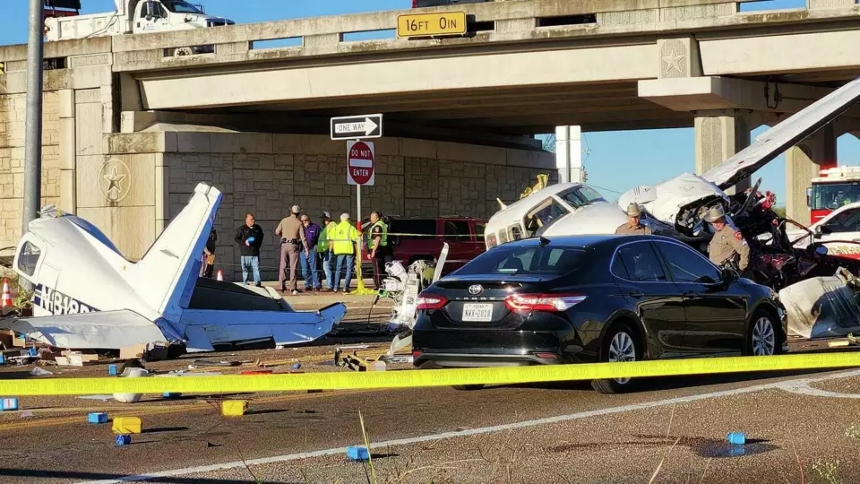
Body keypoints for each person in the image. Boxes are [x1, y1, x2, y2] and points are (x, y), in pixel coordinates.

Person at [703, 205, 750, 275]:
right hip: (716, 272)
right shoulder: (717, 234)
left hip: (728, 273)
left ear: (723, 218)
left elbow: (745, 249)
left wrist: (740, 269)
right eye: (713, 222)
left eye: (717, 221)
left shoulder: (731, 232)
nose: (715, 224)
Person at [275, 205, 307, 295]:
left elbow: (277, 231)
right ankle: (293, 287)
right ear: (298, 213)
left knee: (283, 265)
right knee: (293, 267)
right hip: (294, 245)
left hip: (284, 244)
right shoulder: (299, 223)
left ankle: (281, 285)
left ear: (291, 212)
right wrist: (306, 248)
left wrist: (284, 235)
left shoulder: (284, 220)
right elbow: (303, 237)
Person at [330, 213, 359, 293]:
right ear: (348, 219)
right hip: (349, 250)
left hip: (339, 250)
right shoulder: (351, 227)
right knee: (349, 269)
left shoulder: (335, 228)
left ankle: (336, 287)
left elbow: (331, 239)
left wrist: (331, 250)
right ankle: (345, 287)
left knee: (338, 269)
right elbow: (356, 238)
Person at [234, 213, 264, 286]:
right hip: (245, 253)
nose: (253, 221)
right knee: (245, 269)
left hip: (254, 253)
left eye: (253, 219)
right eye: (251, 220)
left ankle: (257, 282)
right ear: (246, 220)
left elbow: (261, 237)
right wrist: (244, 242)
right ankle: (246, 282)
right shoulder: (241, 229)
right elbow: (236, 238)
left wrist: (257, 245)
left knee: (256, 268)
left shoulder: (257, 228)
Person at [366, 211, 393, 290]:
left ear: (376, 217)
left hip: (377, 249)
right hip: (383, 248)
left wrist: (373, 251)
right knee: (382, 267)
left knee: (377, 268)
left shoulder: (377, 226)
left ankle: (378, 285)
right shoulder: (382, 224)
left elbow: (377, 238)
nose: (370, 219)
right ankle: (383, 284)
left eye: (371, 217)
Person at [299, 213, 322, 292]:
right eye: (302, 220)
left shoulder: (315, 227)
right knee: (305, 270)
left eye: (306, 220)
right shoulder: (300, 228)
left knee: (314, 269)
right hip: (303, 251)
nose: (304, 222)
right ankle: (308, 284)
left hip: (312, 250)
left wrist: (316, 248)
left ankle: (317, 285)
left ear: (309, 219)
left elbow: (320, 239)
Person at [317, 212, 337, 291]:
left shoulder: (331, 225)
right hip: (326, 249)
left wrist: (330, 250)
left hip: (329, 249)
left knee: (327, 267)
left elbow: (331, 238)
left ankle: (329, 285)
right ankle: (331, 284)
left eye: (324, 218)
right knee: (329, 267)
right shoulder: (327, 226)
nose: (323, 220)